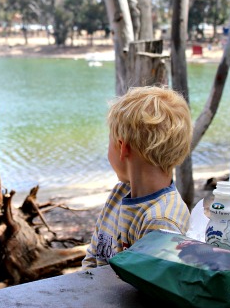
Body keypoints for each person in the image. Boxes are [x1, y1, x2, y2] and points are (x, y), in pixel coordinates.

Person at [82, 86, 192, 269]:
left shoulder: (161, 221)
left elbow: (148, 290)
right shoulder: (119, 194)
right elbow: (92, 259)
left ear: (122, 147)